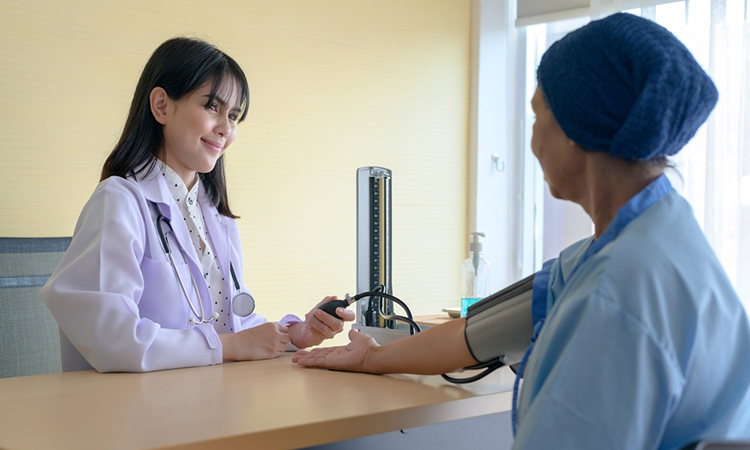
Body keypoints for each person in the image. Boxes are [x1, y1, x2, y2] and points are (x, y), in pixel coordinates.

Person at [293, 13, 750, 449]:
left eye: (537, 116)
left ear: (576, 124)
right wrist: (372, 358)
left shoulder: (617, 292)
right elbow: (476, 334)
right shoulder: (647, 237)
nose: (532, 142)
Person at [42, 37, 354, 373]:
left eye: (233, 115)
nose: (226, 129)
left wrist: (298, 334)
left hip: (206, 399)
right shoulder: (118, 202)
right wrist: (228, 346)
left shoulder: (215, 215)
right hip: (133, 410)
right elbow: (112, 339)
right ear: (162, 105)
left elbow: (230, 322)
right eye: (212, 107)